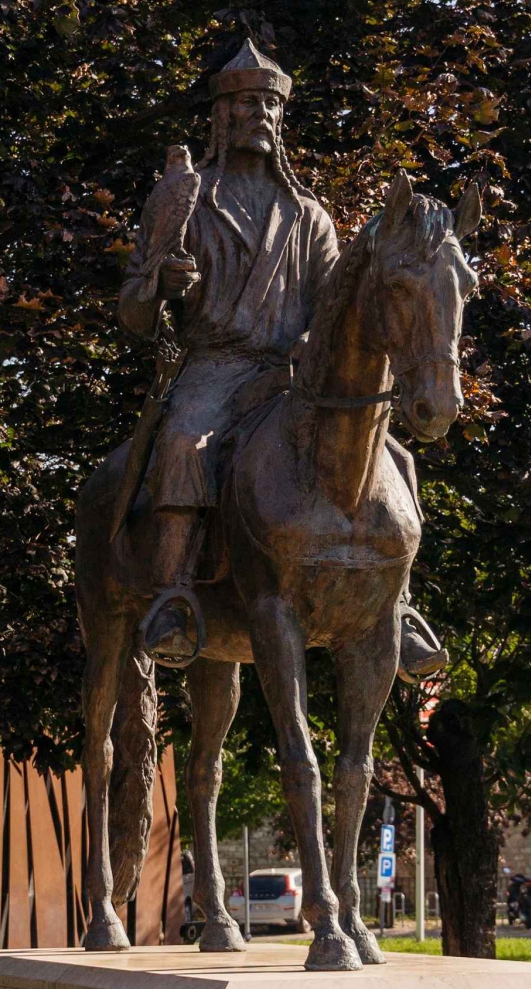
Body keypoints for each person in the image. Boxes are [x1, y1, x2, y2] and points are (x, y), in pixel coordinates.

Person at [118, 40, 448, 676]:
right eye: (247, 104)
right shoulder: (189, 198)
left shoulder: (310, 216)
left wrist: (311, 347)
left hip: (290, 376)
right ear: (223, 116)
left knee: (397, 458)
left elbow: (335, 308)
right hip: (214, 367)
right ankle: (174, 596)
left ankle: (397, 606)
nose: (260, 115)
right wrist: (163, 285)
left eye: (270, 105)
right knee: (187, 441)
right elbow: (132, 311)